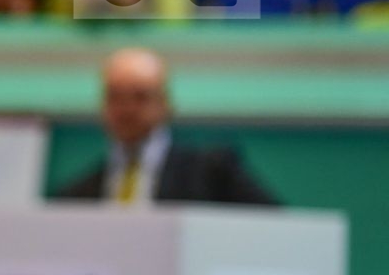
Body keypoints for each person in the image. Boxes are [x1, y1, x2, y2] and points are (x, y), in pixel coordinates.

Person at [54, 47, 277, 205]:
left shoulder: (213, 174)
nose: (126, 109)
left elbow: (273, 224)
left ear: (165, 104)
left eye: (140, 97)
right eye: (115, 97)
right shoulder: (75, 194)